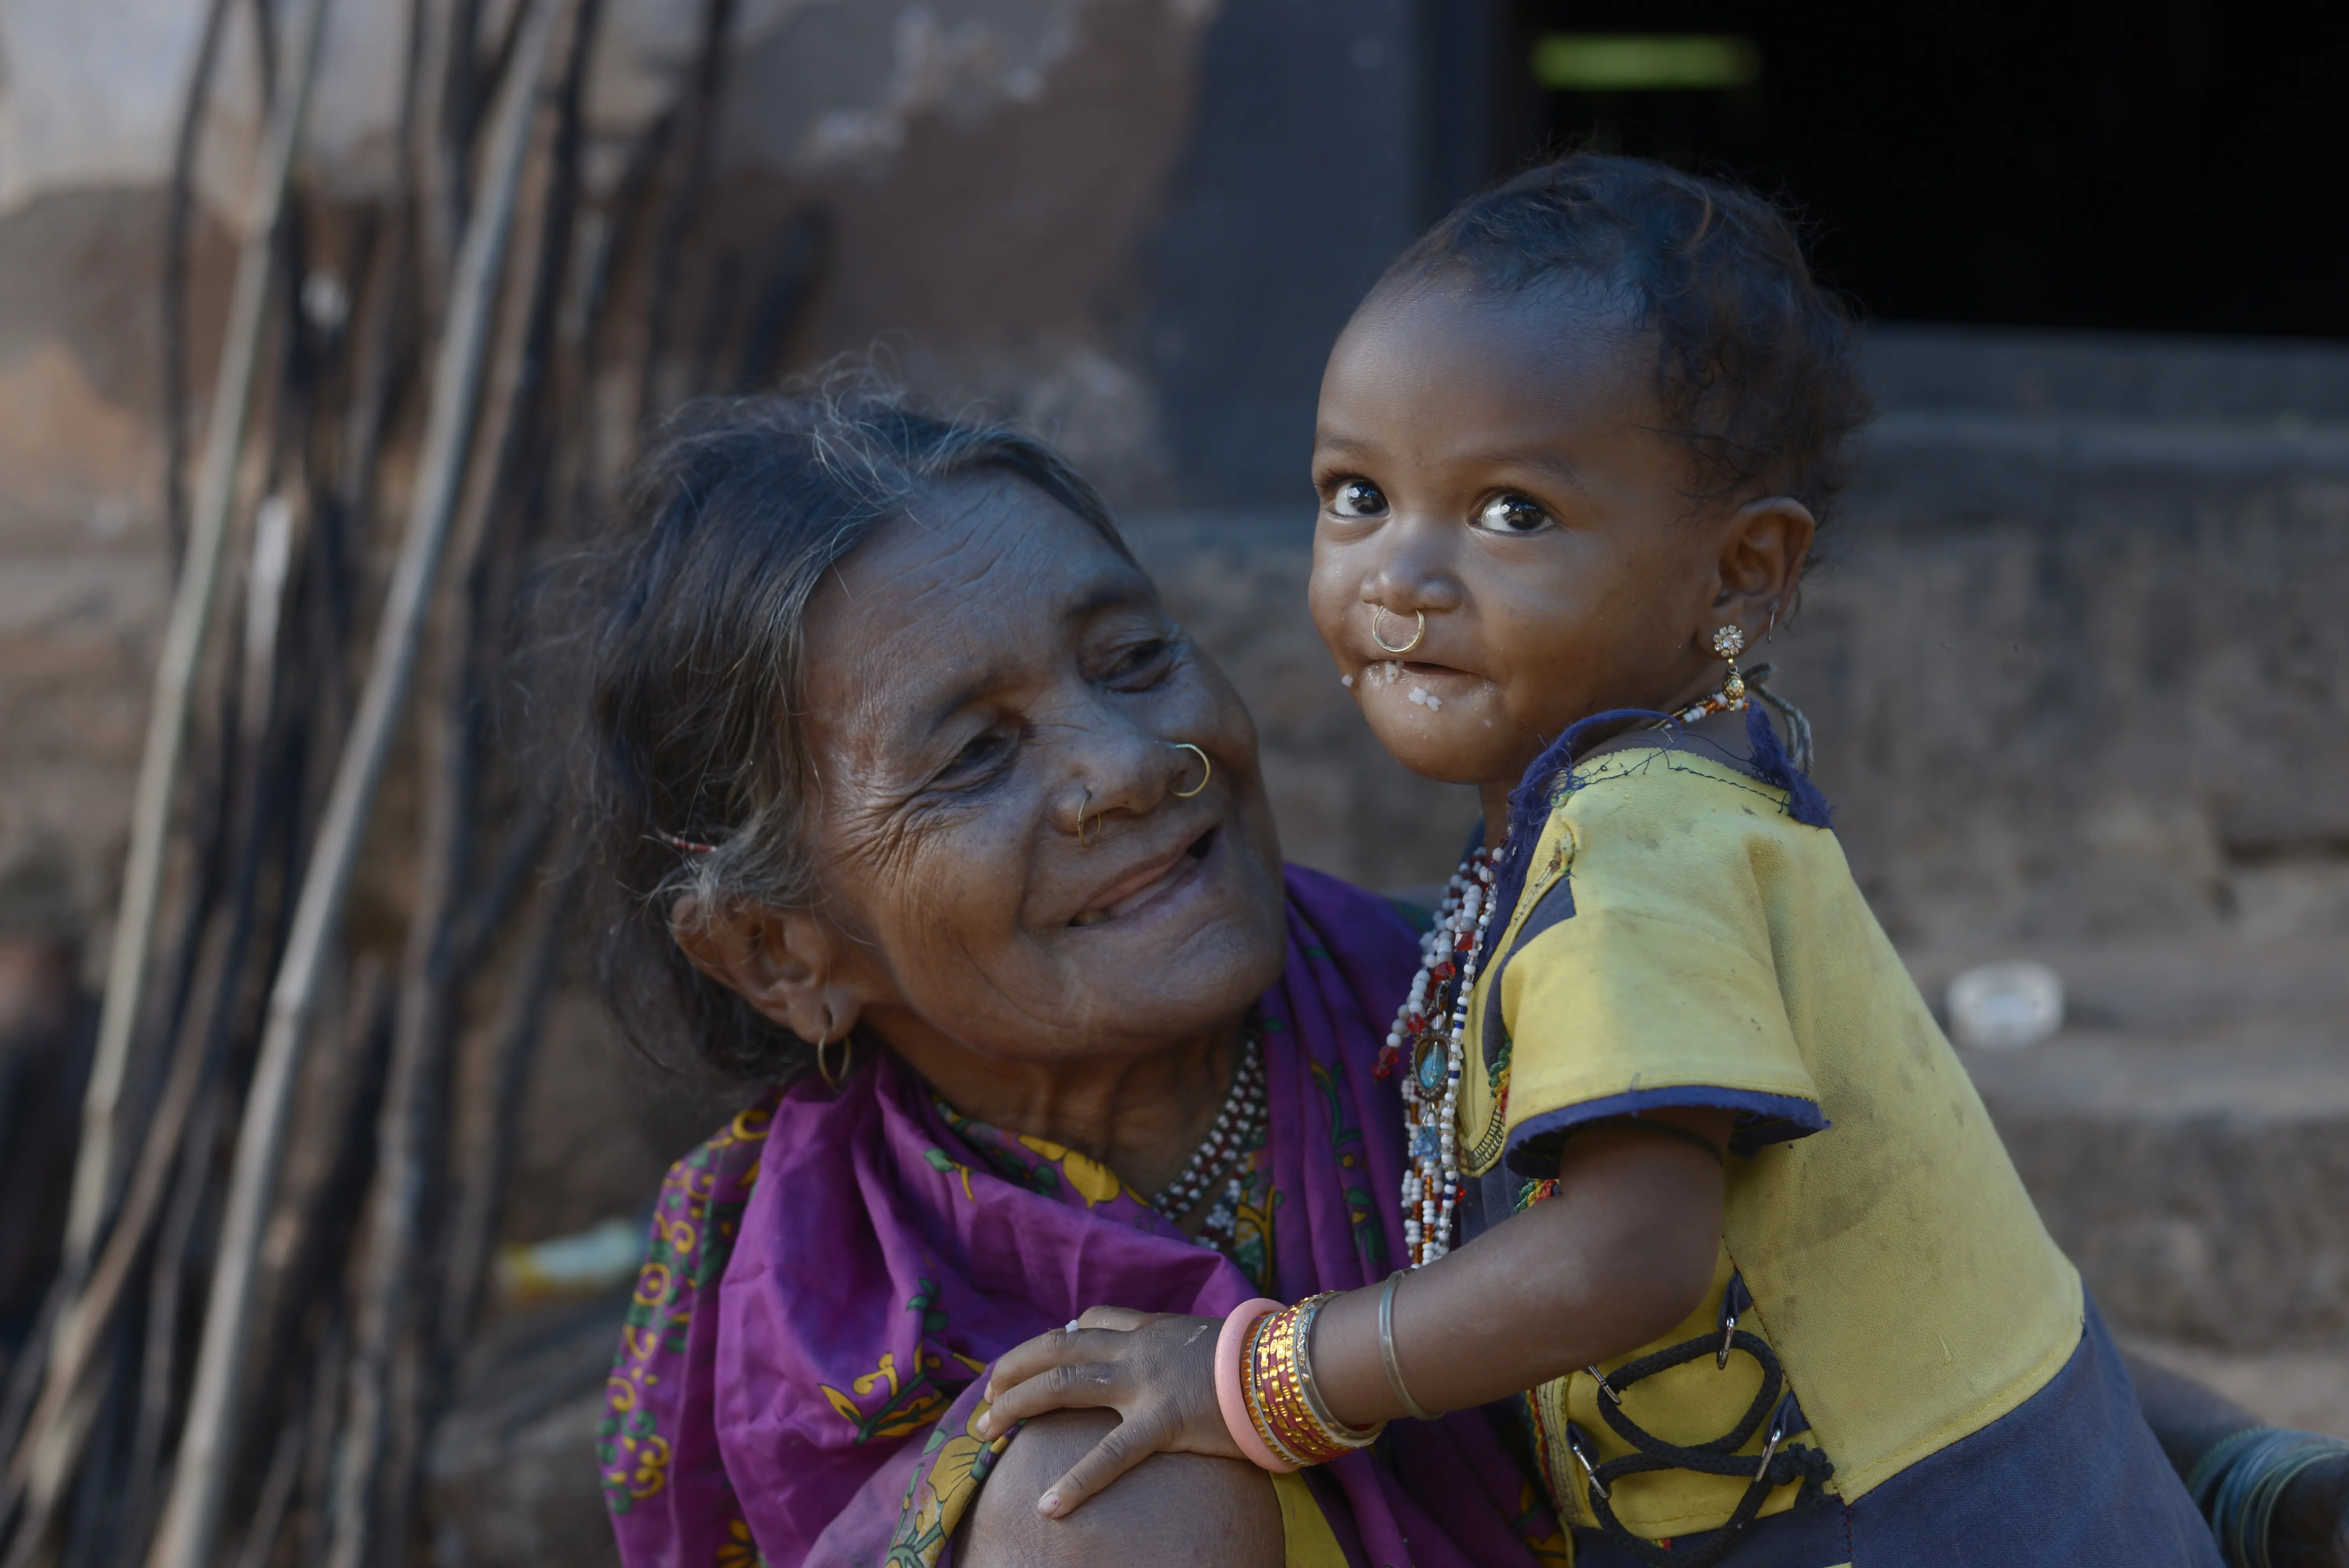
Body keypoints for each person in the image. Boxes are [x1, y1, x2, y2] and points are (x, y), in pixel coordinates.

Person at [580, 382, 2349, 1568]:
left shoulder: (1494, 991)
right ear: (780, 950)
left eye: (1135, 655)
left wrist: (2240, 1479)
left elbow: (1902, 1274)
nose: (1126, 760)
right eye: (972, 757)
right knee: (1096, 1490)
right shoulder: (848, 1306)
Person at [980, 154, 2349, 1567]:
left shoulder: (1632, 837)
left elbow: (1627, 1254)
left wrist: (1256, 1379)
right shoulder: (1659, 788)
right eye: (1356, 495)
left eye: (1513, 513)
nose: (1402, 574)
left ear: (1742, 576)